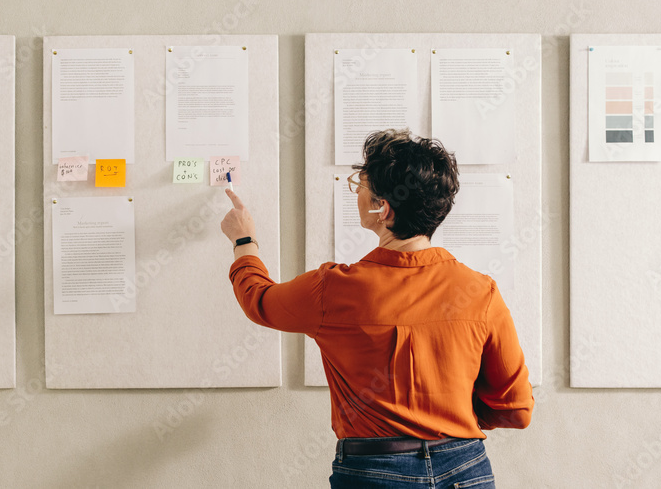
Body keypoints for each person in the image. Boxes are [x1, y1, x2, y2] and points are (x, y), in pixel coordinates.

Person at [221, 129, 532, 488]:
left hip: (374, 471)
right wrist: (449, 412)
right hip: (465, 468)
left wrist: (244, 241)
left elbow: (258, 301)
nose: (356, 192)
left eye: (361, 185)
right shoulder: (481, 292)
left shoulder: (334, 289)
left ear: (381, 208)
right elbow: (516, 410)